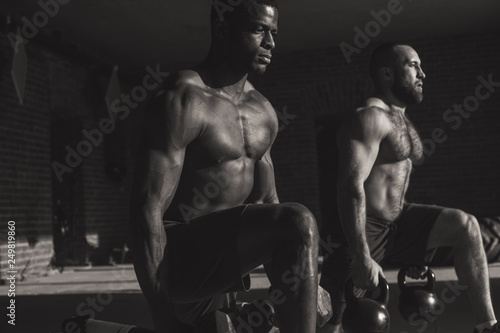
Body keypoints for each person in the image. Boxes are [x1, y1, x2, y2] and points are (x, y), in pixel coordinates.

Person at [129, 1, 320, 332]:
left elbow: (265, 203)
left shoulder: (263, 111)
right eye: (259, 30)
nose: (271, 43)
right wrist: (164, 320)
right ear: (222, 27)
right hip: (181, 261)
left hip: (225, 269)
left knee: (313, 290)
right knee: (299, 219)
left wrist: (300, 286)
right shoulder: (183, 96)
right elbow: (147, 210)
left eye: (273, 33)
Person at [319, 43, 498, 333]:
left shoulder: (399, 118)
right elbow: (349, 187)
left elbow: (393, 184)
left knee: (465, 226)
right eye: (413, 65)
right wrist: (362, 255)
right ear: (387, 73)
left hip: (398, 222)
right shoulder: (369, 118)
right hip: (363, 229)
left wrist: (415, 249)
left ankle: (487, 326)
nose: (422, 74)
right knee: (331, 323)